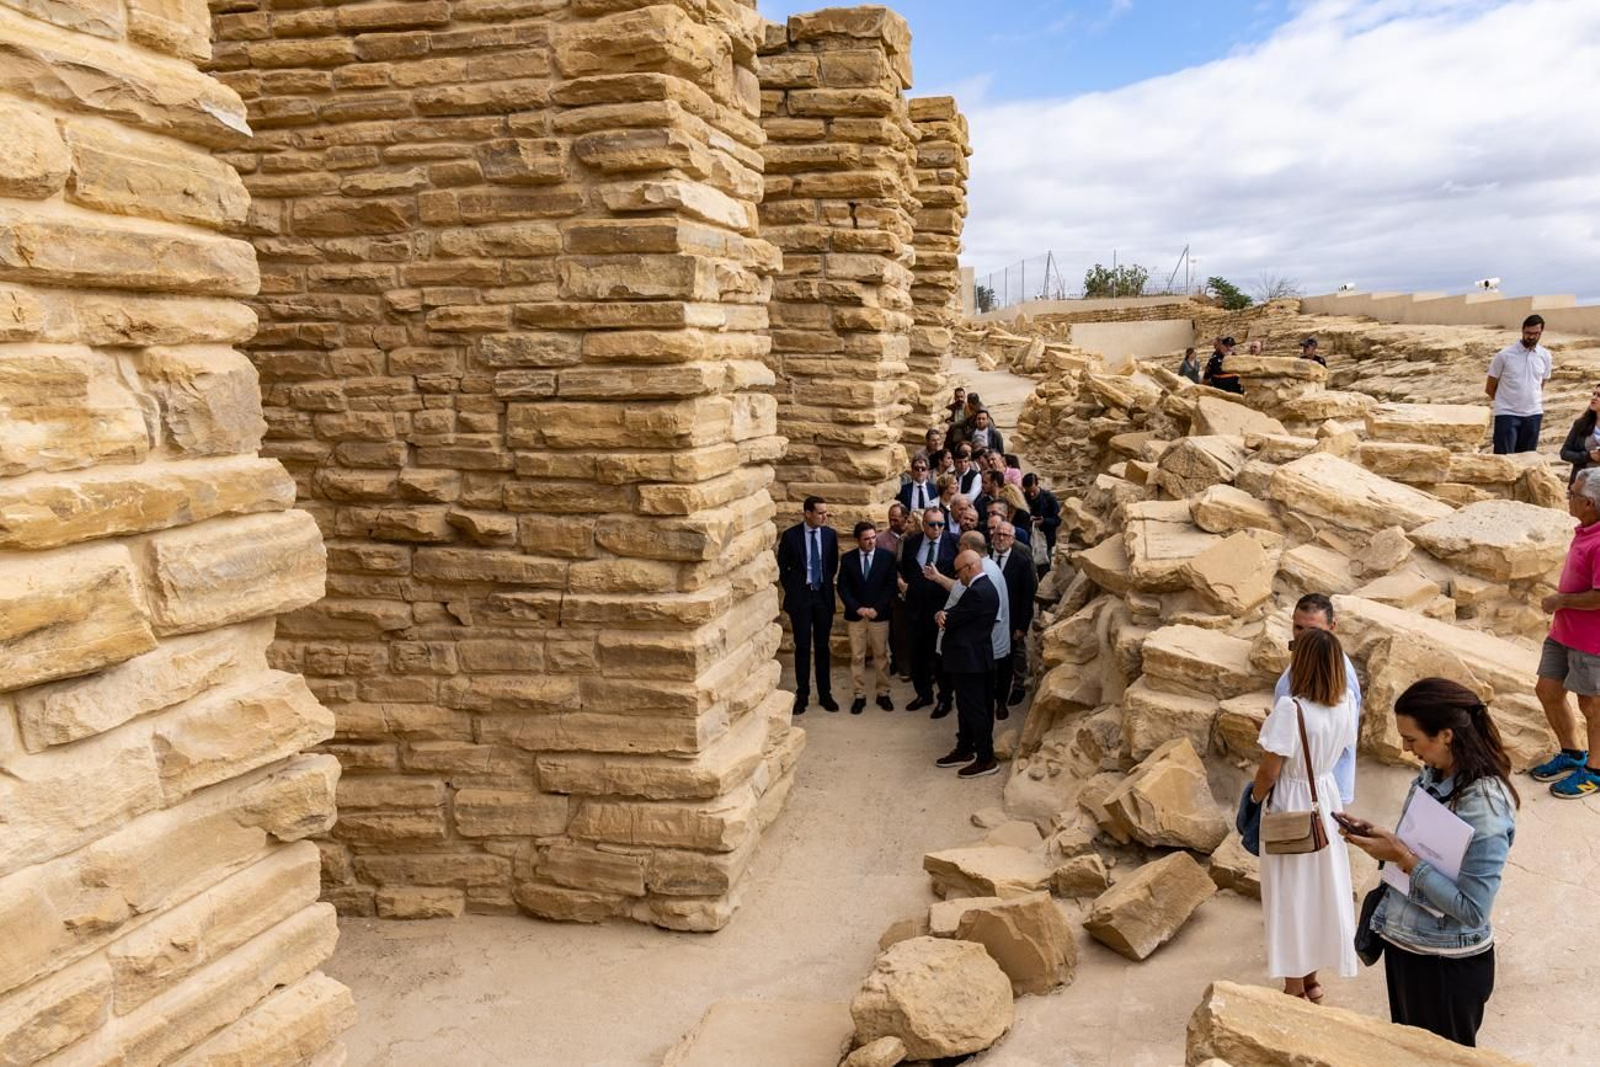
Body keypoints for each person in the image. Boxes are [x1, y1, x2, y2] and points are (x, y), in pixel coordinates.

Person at [1344, 678, 1519, 1047]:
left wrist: (1403, 857)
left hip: (1446, 966)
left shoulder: (1485, 809)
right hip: (1408, 948)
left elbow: (1473, 910)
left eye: (1411, 739)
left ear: (1446, 735)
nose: (1405, 749)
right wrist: (1384, 841)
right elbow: (1425, 847)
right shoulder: (1436, 774)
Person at [1251, 628, 1359, 1003]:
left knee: (1290, 893)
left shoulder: (1290, 709)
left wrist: (1254, 798)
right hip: (1325, 798)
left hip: (1292, 801)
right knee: (1318, 889)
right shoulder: (1346, 703)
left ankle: (1294, 988)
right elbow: (1337, 746)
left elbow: (1271, 771)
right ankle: (1312, 981)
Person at [1527, 467, 1600, 798]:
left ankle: (1595, 771)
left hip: (1591, 640)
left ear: (1590, 503)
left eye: (1573, 494)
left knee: (1592, 705)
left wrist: (1561, 600)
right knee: (1548, 690)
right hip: (1563, 633)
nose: (1567, 498)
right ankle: (1572, 753)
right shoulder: (1586, 530)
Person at [1272, 594, 1360, 803]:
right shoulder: (1306, 659)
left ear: (1332, 627)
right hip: (1300, 785)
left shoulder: (1338, 678)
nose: (1303, 637)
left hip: (1313, 790)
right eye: (1298, 628)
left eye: (1312, 630)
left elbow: (1333, 738)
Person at [933, 548, 1003, 779]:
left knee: (975, 709)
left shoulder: (977, 592)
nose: (957, 576)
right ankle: (964, 748)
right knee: (968, 708)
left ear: (970, 567)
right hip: (975, 657)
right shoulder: (983, 587)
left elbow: (951, 619)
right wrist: (945, 614)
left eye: (958, 571)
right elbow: (957, 613)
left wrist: (942, 616)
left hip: (969, 660)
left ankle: (985, 758)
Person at [776, 496, 838, 715]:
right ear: (808, 513)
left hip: (822, 597)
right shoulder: (791, 536)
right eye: (820, 513)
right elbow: (783, 568)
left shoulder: (830, 535)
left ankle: (825, 694)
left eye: (825, 512)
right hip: (801, 598)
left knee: (822, 647)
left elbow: (831, 566)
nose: (824, 517)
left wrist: (822, 585)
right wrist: (795, 590)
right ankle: (802, 695)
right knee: (802, 647)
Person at [900, 507, 958, 715]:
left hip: (941, 610)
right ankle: (923, 694)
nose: (937, 528)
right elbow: (907, 570)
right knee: (918, 656)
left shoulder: (953, 542)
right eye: (932, 524)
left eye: (941, 524)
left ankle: (945, 698)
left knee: (941, 657)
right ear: (923, 524)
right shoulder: (912, 543)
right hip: (916, 610)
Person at [838, 522, 896, 715]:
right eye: (866, 539)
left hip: (879, 615)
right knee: (857, 656)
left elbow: (890, 586)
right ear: (858, 540)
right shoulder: (848, 559)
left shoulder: (886, 557)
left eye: (873, 537)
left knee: (881, 655)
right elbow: (843, 588)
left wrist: (876, 609)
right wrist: (858, 608)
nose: (871, 542)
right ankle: (859, 695)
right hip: (856, 616)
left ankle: (883, 693)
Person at [1485, 314, 1551, 454]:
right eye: (1528, 333)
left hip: (1533, 414)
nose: (1531, 337)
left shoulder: (1545, 356)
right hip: (1507, 414)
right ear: (1522, 330)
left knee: (1527, 459)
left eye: (1535, 333)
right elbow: (1490, 387)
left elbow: (1541, 384)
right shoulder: (1504, 355)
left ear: (1541, 332)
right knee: (1504, 459)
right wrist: (1506, 402)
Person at [990, 522, 1037, 712]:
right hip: (988, 621)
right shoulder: (985, 558)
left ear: (1013, 539)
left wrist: (1022, 626)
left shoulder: (1022, 561)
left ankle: (1006, 697)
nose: (1001, 538)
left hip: (1011, 621)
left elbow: (1028, 596)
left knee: (1008, 661)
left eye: (1006, 535)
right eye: (998, 534)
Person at [881, 503, 911, 679]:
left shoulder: (913, 537)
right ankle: (897, 662)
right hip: (892, 591)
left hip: (911, 589)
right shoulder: (881, 540)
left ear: (905, 518)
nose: (892, 522)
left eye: (896, 519)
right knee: (895, 631)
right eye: (890, 518)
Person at [1557, 383, 1600, 485]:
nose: (1594, 398)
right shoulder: (1581, 424)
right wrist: (1588, 456)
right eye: (1594, 394)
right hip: (1583, 485)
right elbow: (1564, 453)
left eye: (1599, 395)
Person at [1022, 473, 1061, 560]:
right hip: (1028, 539)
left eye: (1033, 491)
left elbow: (1057, 519)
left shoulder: (1049, 498)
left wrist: (1044, 521)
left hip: (1046, 540)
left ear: (1037, 484)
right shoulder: (1023, 498)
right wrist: (1028, 519)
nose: (1031, 495)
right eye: (1028, 492)